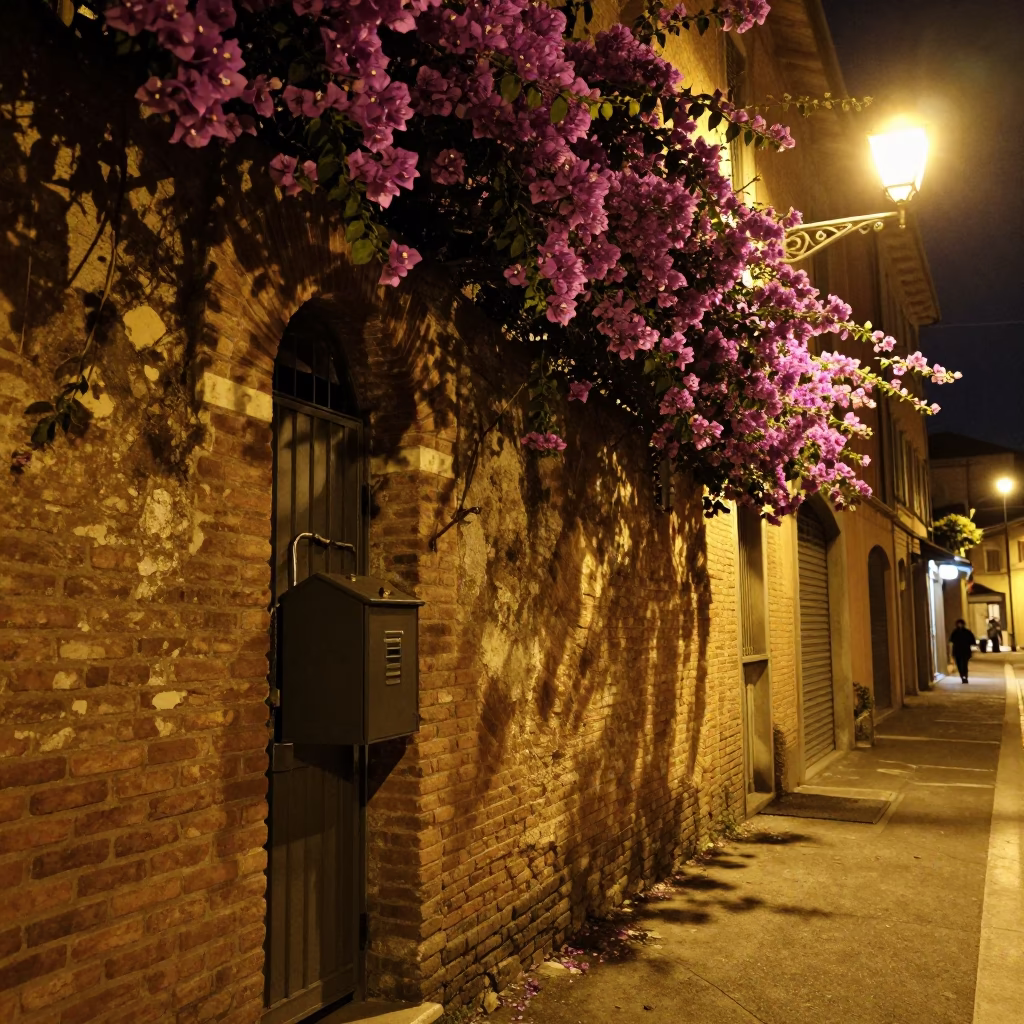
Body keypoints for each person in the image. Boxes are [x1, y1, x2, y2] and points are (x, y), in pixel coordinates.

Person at [949, 619, 976, 684]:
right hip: (957, 651)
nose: (960, 625)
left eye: (961, 624)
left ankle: (965, 676)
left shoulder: (967, 632)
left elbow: (972, 640)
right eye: (959, 624)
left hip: (965, 651)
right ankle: (962, 676)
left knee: (964, 664)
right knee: (959, 665)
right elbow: (951, 640)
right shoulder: (955, 632)